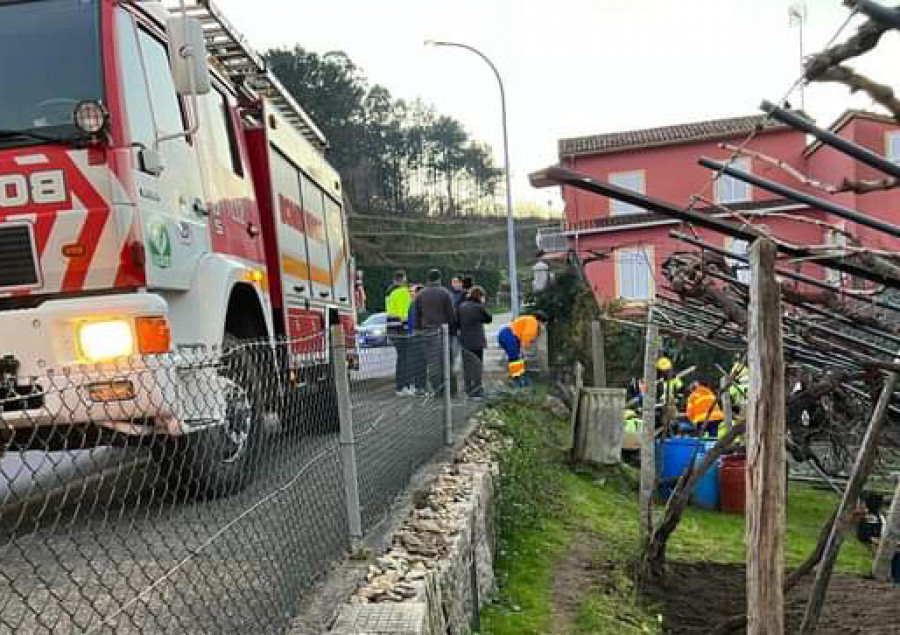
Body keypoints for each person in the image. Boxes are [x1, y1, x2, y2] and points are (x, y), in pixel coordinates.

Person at [412, 269, 456, 396]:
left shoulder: (420, 294)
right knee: (447, 361)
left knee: (432, 362)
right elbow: (451, 314)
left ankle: (437, 389)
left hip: (427, 332)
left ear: (427, 279)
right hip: (443, 331)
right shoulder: (445, 293)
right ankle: (449, 390)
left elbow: (417, 315)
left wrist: (418, 330)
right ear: (439, 278)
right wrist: (453, 330)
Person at [456, 286, 492, 399]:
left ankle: (468, 388)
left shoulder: (461, 306)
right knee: (477, 364)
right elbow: (489, 319)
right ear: (480, 296)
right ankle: (477, 389)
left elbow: (457, 323)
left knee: (467, 366)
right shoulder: (478, 307)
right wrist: (482, 305)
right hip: (477, 341)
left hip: (464, 340)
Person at [497, 311, 548, 387]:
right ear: (540, 321)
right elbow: (525, 340)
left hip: (506, 334)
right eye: (543, 324)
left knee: (515, 360)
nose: (543, 327)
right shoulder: (533, 322)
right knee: (515, 360)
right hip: (509, 335)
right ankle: (517, 382)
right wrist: (524, 352)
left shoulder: (530, 320)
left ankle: (515, 379)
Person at [385, 270, 413, 396]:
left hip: (391, 329)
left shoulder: (389, 293)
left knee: (401, 359)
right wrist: (409, 329)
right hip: (402, 330)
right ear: (403, 279)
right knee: (405, 359)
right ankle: (403, 386)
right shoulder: (403, 292)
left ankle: (401, 386)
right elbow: (405, 313)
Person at [405, 284, 427, 395]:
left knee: (418, 362)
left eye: (412, 291)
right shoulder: (417, 305)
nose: (411, 293)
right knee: (421, 363)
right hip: (419, 336)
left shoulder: (413, 304)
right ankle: (420, 387)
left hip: (414, 336)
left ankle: (419, 386)